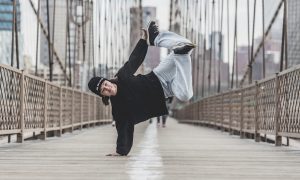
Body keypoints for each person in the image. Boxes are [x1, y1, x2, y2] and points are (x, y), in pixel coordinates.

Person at [88, 21, 195, 156]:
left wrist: (144, 40)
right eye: (104, 89)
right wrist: (121, 151)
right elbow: (124, 130)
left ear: (107, 80)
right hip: (167, 91)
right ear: (103, 95)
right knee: (185, 94)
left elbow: (134, 60)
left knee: (187, 45)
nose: (108, 87)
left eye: (105, 83)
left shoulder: (122, 77)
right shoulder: (118, 110)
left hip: (159, 75)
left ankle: (156, 38)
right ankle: (180, 54)